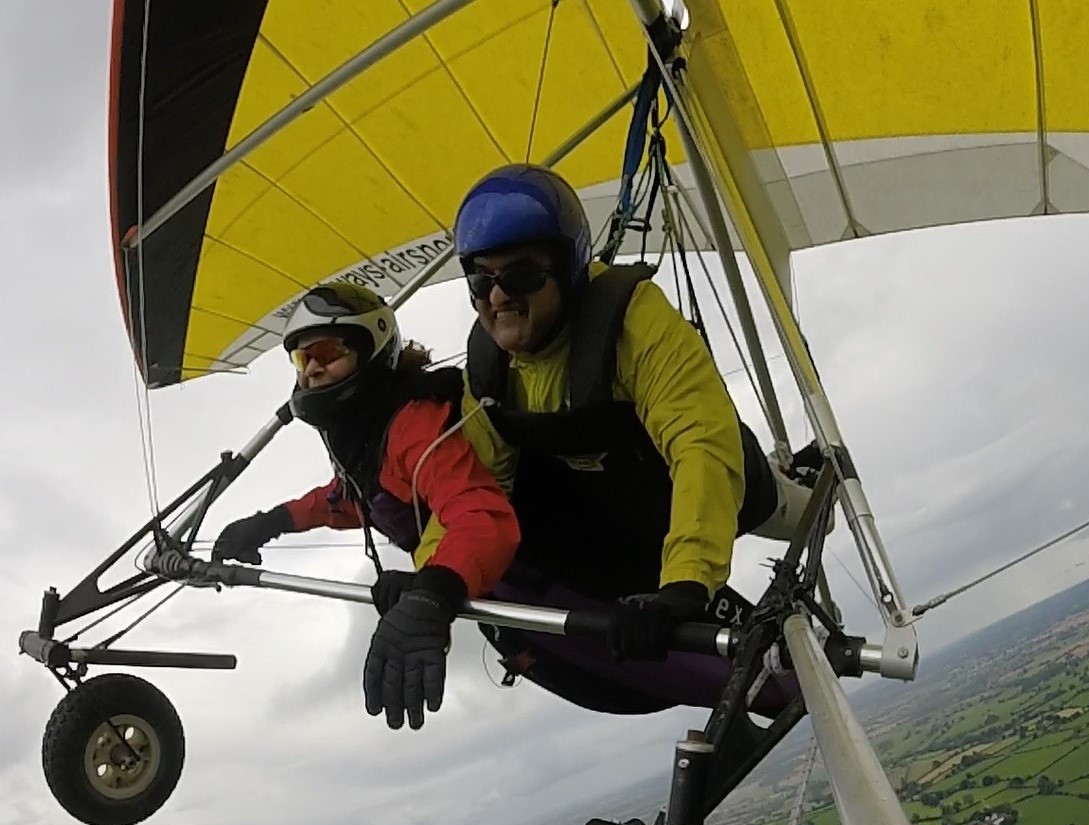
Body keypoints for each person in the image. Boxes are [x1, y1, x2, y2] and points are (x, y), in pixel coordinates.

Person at [435, 163, 813, 716]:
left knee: (786, 512)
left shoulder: (634, 319)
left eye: (517, 277)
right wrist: (435, 582)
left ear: (565, 269)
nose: (497, 298)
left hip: (724, 484)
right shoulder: (489, 370)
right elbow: (477, 493)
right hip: (629, 507)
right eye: (480, 280)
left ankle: (801, 490)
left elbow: (699, 444)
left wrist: (686, 582)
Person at [210, 281, 521, 731]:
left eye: (327, 352)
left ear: (370, 351)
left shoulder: (412, 425)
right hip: (481, 575)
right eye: (303, 358)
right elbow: (353, 499)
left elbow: (480, 516)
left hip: (517, 566)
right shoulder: (365, 435)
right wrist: (270, 522)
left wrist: (430, 593)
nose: (312, 368)